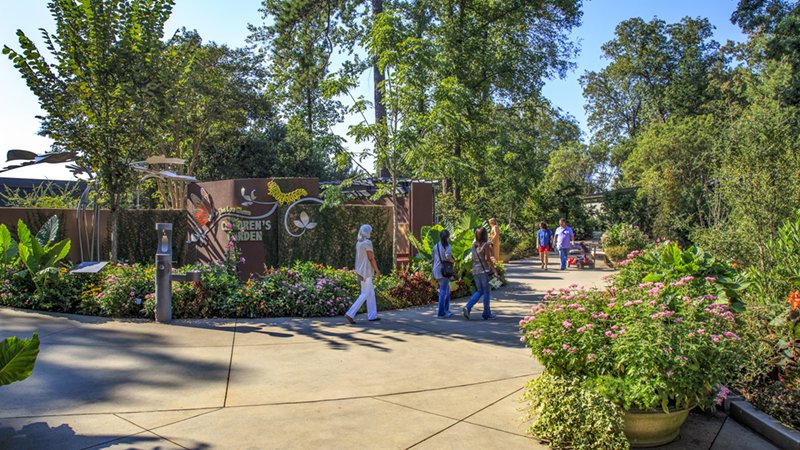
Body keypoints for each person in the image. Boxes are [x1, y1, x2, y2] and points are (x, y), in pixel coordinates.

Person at [345, 224, 381, 323]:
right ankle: (350, 313)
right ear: (367, 232)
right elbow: (371, 258)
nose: (371, 233)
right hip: (366, 271)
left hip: (360, 270)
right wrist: (377, 271)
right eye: (370, 231)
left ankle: (372, 315)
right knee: (365, 293)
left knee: (370, 293)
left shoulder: (359, 243)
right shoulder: (367, 243)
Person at [463, 226, 499, 320]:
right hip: (484, 271)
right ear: (485, 235)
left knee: (479, 291)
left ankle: (468, 307)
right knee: (486, 292)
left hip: (475, 270)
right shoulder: (485, 245)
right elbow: (488, 260)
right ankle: (486, 314)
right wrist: (495, 271)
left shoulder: (473, 244)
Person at [432, 229, 455, 318]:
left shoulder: (435, 246)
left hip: (436, 270)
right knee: (443, 291)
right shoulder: (447, 246)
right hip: (444, 271)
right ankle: (441, 312)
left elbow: (433, 259)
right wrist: (452, 261)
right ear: (448, 237)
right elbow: (448, 256)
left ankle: (446, 310)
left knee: (446, 290)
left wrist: (432, 273)